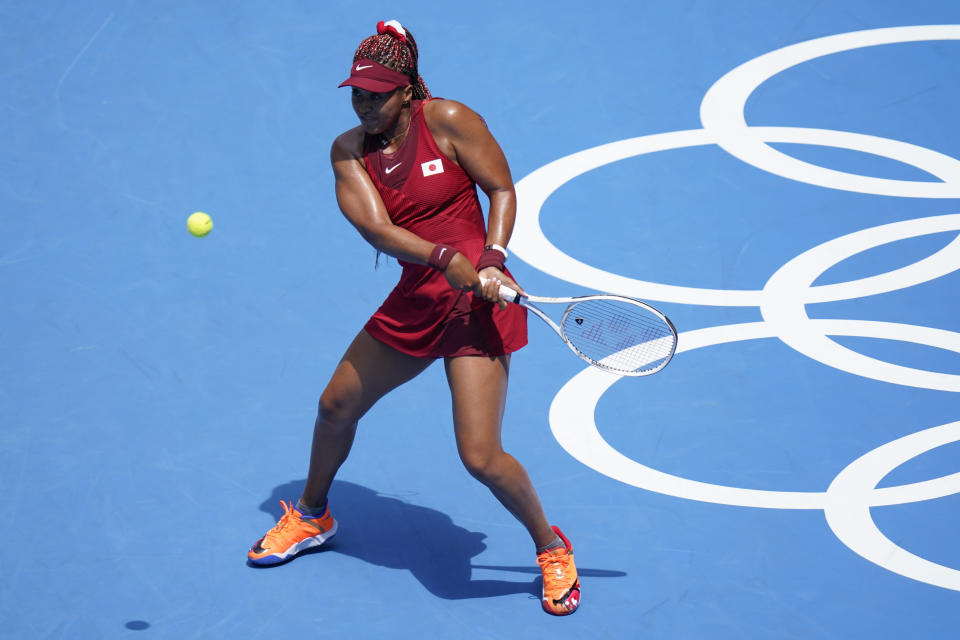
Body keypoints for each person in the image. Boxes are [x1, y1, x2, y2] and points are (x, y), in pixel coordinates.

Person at [246, 20, 580, 616]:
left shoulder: (449, 121)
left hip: (477, 304)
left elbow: (501, 189)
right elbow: (376, 228)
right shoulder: (348, 152)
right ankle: (313, 513)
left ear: (407, 91)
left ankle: (552, 546)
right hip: (418, 299)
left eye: (378, 93)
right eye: (357, 93)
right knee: (334, 405)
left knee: (480, 456)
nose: (366, 104)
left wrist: (492, 257)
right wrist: (443, 256)